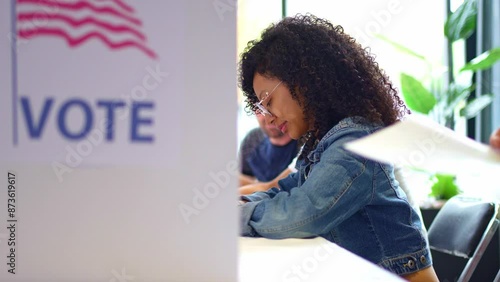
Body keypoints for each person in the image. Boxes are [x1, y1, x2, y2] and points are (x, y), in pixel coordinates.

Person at [237, 14, 438, 281]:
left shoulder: (356, 143)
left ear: (305, 81)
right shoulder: (323, 143)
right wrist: (239, 206)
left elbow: (303, 213)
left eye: (268, 100)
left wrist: (237, 215)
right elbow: (289, 189)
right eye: (261, 107)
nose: (268, 116)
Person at [238, 112, 299, 186]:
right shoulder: (252, 138)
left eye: (270, 110)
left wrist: (256, 186)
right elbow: (241, 177)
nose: (267, 118)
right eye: (260, 111)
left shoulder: (304, 144)